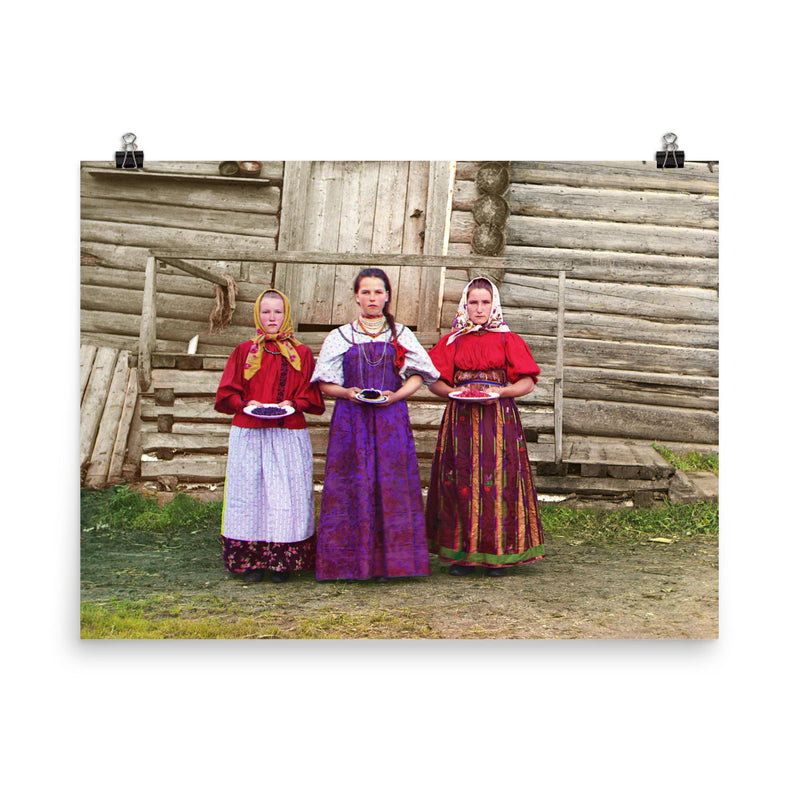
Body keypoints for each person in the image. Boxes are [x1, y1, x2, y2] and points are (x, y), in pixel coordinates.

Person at [312, 268, 439, 582]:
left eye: (378, 292)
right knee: (352, 483)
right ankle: (349, 564)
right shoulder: (340, 336)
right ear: (356, 296)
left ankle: (391, 565)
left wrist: (395, 396)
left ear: (387, 296)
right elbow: (325, 383)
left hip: (390, 420)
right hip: (351, 421)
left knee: (391, 484)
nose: (372, 298)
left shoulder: (401, 335)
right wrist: (347, 393)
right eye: (366, 292)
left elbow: (419, 375)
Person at [425, 276, 544, 577]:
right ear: (465, 304)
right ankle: (461, 555)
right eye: (474, 302)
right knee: (460, 479)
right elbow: (433, 381)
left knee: (497, 480)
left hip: (498, 420)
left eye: (485, 302)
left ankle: (497, 554)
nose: (479, 309)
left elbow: (528, 382)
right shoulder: (453, 341)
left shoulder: (508, 340)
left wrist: (501, 392)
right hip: (461, 419)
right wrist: (453, 393)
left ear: (494, 305)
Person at [214, 289, 324, 584]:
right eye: (266, 312)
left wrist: (293, 404)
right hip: (249, 433)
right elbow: (228, 391)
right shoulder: (243, 350)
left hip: (287, 434)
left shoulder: (301, 354)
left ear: (286, 314)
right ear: (257, 316)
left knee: (286, 495)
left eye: (277, 312)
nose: (272, 318)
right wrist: (245, 404)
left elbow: (311, 395)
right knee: (249, 494)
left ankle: (281, 561)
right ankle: (251, 561)